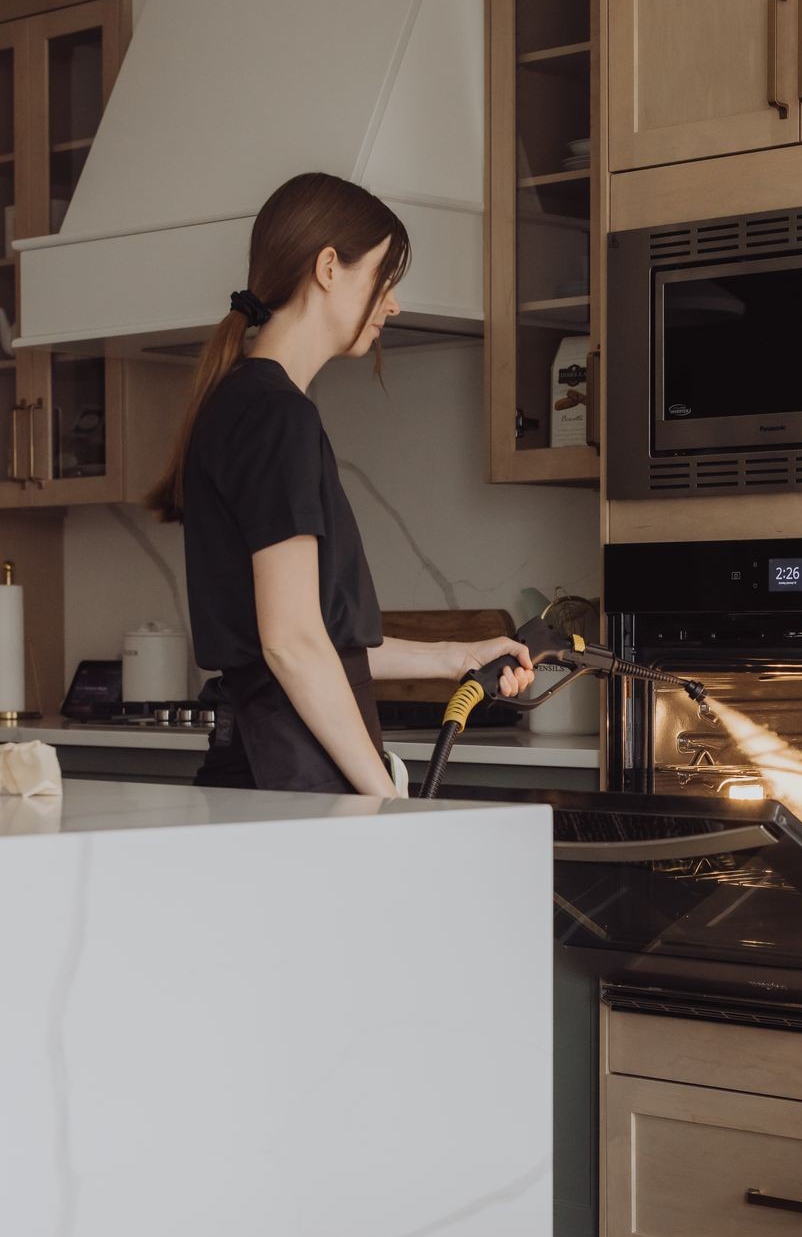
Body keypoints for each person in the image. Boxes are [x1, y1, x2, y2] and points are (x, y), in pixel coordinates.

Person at [148, 171, 533, 797]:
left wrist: (454, 656)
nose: (394, 303)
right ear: (329, 267)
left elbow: (318, 642)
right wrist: (383, 796)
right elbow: (291, 645)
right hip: (292, 772)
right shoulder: (277, 414)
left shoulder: (244, 402)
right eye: (384, 278)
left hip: (266, 759)